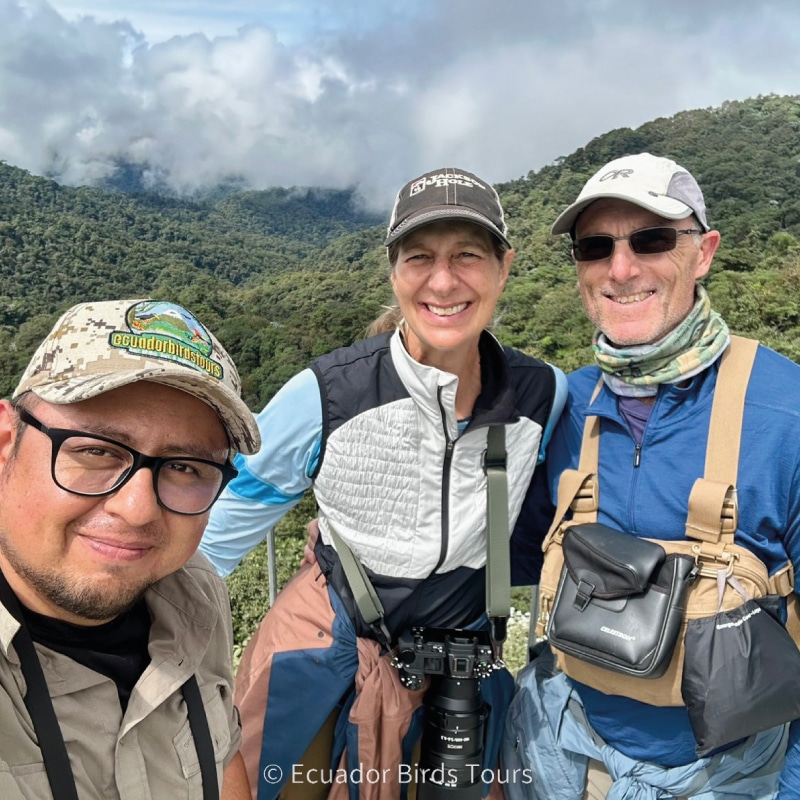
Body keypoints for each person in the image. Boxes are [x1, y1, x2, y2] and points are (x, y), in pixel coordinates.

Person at [200, 167, 567, 799]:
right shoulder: (328, 393)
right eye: (420, 257)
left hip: (460, 667)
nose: (443, 280)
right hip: (328, 648)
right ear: (394, 271)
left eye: (468, 257)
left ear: (503, 268)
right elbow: (223, 525)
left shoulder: (543, 393)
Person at [509, 153, 800, 798]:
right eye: (595, 246)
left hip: (732, 772)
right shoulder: (567, 407)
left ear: (703, 253)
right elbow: (507, 556)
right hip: (563, 747)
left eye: (652, 239)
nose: (620, 268)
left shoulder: (785, 411)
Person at [0, 298, 261, 800]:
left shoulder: (195, 595)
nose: (138, 509)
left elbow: (222, 759)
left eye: (186, 466)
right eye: (95, 451)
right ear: (5, 442)